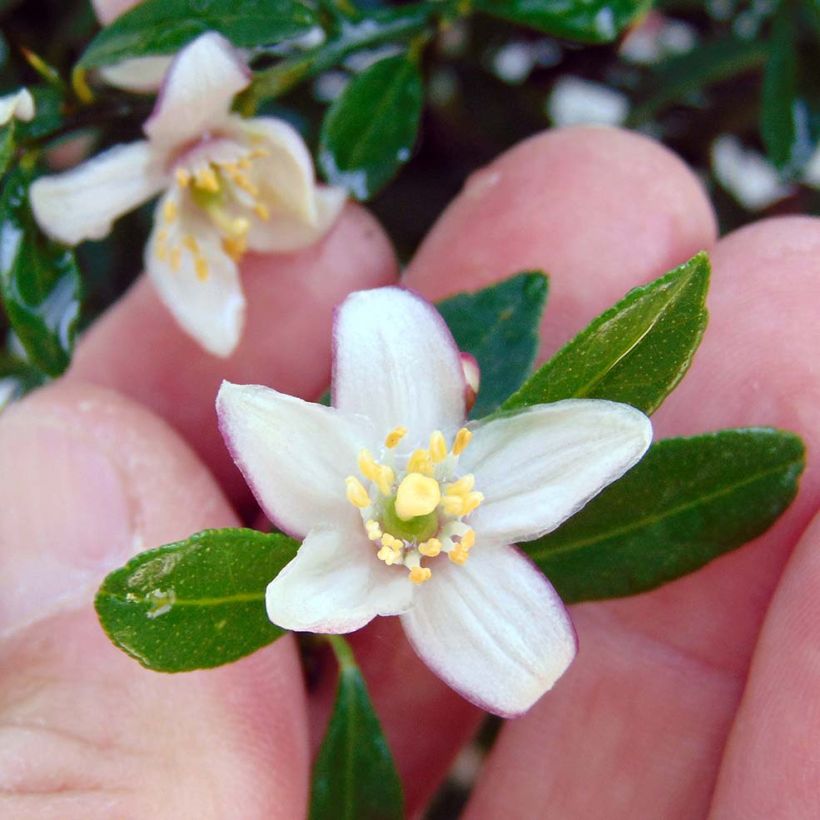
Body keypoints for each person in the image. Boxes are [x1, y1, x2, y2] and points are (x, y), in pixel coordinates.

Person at [1, 122, 818, 818]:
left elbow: (534, 598)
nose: (415, 500)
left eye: (419, 504)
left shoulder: (457, 535)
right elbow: (293, 584)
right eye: (410, 503)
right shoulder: (319, 552)